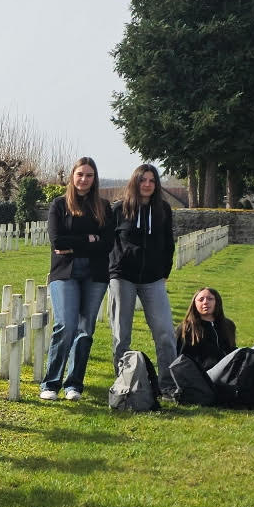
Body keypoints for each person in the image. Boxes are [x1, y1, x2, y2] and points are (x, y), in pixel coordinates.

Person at [39, 157, 113, 401]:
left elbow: (108, 244)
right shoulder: (59, 205)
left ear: (95, 179)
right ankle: (51, 383)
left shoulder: (103, 206)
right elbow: (57, 242)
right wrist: (89, 240)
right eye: (80, 174)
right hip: (65, 273)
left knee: (85, 329)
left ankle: (74, 385)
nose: (84, 179)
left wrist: (76, 244)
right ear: (72, 176)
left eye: (89, 175)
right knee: (66, 325)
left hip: (95, 275)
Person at [170, 287, 254, 408]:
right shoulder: (186, 328)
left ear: (217, 302)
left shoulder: (227, 325)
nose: (205, 302)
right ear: (194, 304)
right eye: (201, 299)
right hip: (207, 376)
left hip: (230, 370)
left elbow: (230, 349)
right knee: (243, 352)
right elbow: (180, 361)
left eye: (210, 299)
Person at [108, 162, 177, 394]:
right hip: (123, 277)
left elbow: (169, 243)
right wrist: (113, 268)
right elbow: (109, 242)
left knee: (165, 332)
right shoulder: (119, 210)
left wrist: (164, 271)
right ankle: (123, 382)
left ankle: (168, 384)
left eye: (151, 180)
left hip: (153, 279)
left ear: (156, 185)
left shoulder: (163, 211)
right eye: (143, 180)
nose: (147, 184)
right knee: (121, 333)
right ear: (135, 182)